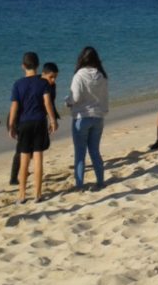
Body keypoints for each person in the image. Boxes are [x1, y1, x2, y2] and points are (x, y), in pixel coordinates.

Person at [8, 52, 59, 203]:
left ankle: (22, 195)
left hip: (24, 123)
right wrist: (52, 120)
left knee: (24, 160)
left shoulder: (18, 84)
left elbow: (14, 107)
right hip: (39, 122)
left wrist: (11, 125)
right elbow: (47, 103)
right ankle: (37, 194)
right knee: (38, 159)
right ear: (37, 66)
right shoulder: (43, 83)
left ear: (23, 66)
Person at [66, 46, 109, 190]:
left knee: (80, 153)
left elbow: (75, 97)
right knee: (95, 151)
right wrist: (103, 111)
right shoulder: (101, 75)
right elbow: (105, 97)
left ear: (82, 59)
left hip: (81, 118)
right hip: (98, 117)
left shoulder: (79, 75)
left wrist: (68, 101)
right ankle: (100, 181)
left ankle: (79, 185)